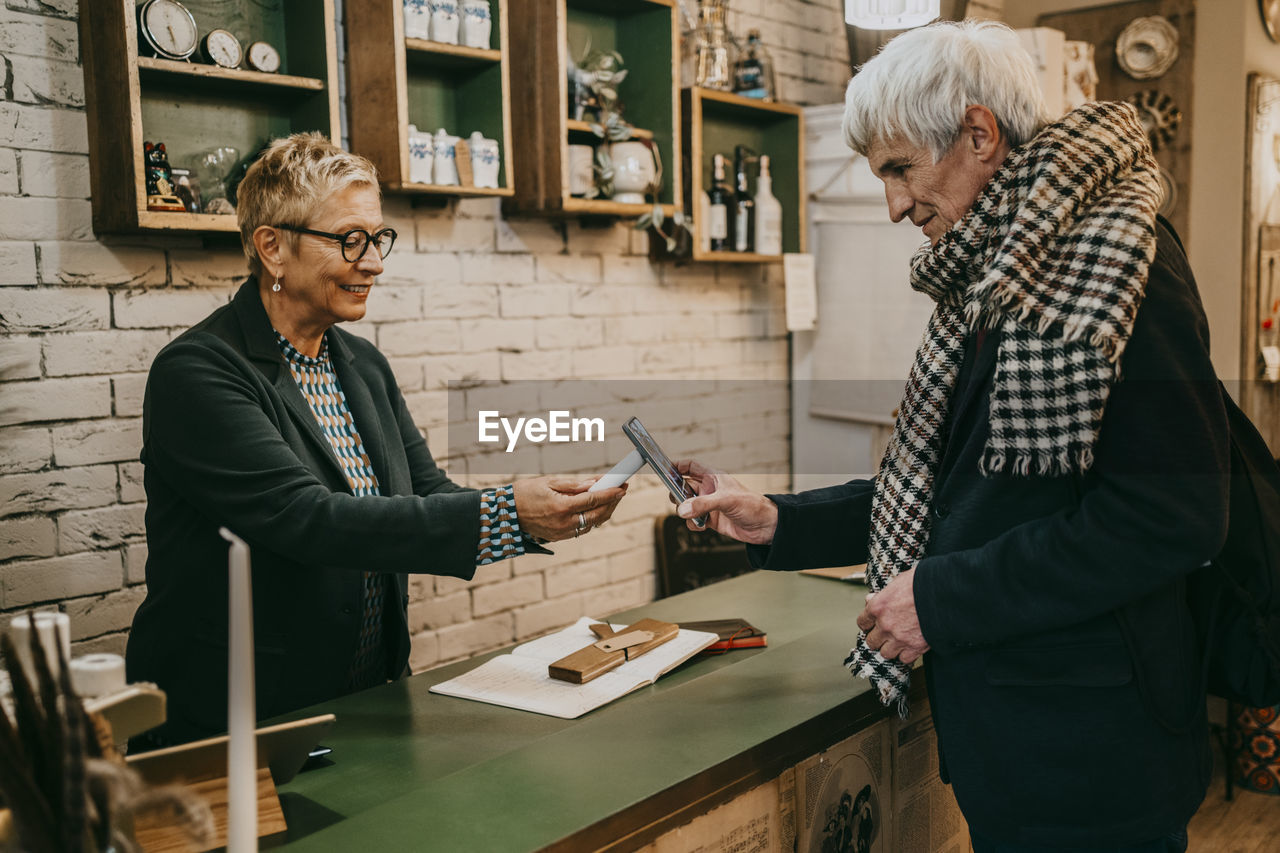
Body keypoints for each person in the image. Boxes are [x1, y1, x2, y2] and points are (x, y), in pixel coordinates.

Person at [675, 21, 1227, 853]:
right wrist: (780, 518)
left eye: (901, 169)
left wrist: (941, 598)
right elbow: (951, 494)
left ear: (978, 133)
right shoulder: (997, 273)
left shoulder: (1119, 264)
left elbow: (1173, 515)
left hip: (1095, 759)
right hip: (1023, 748)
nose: (895, 205)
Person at [127, 133, 626, 748]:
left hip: (365, 699)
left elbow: (423, 492)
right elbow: (306, 518)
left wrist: (535, 517)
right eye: (349, 240)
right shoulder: (199, 372)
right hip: (240, 722)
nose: (374, 262)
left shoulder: (361, 364)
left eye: (377, 238)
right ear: (272, 248)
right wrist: (505, 510)